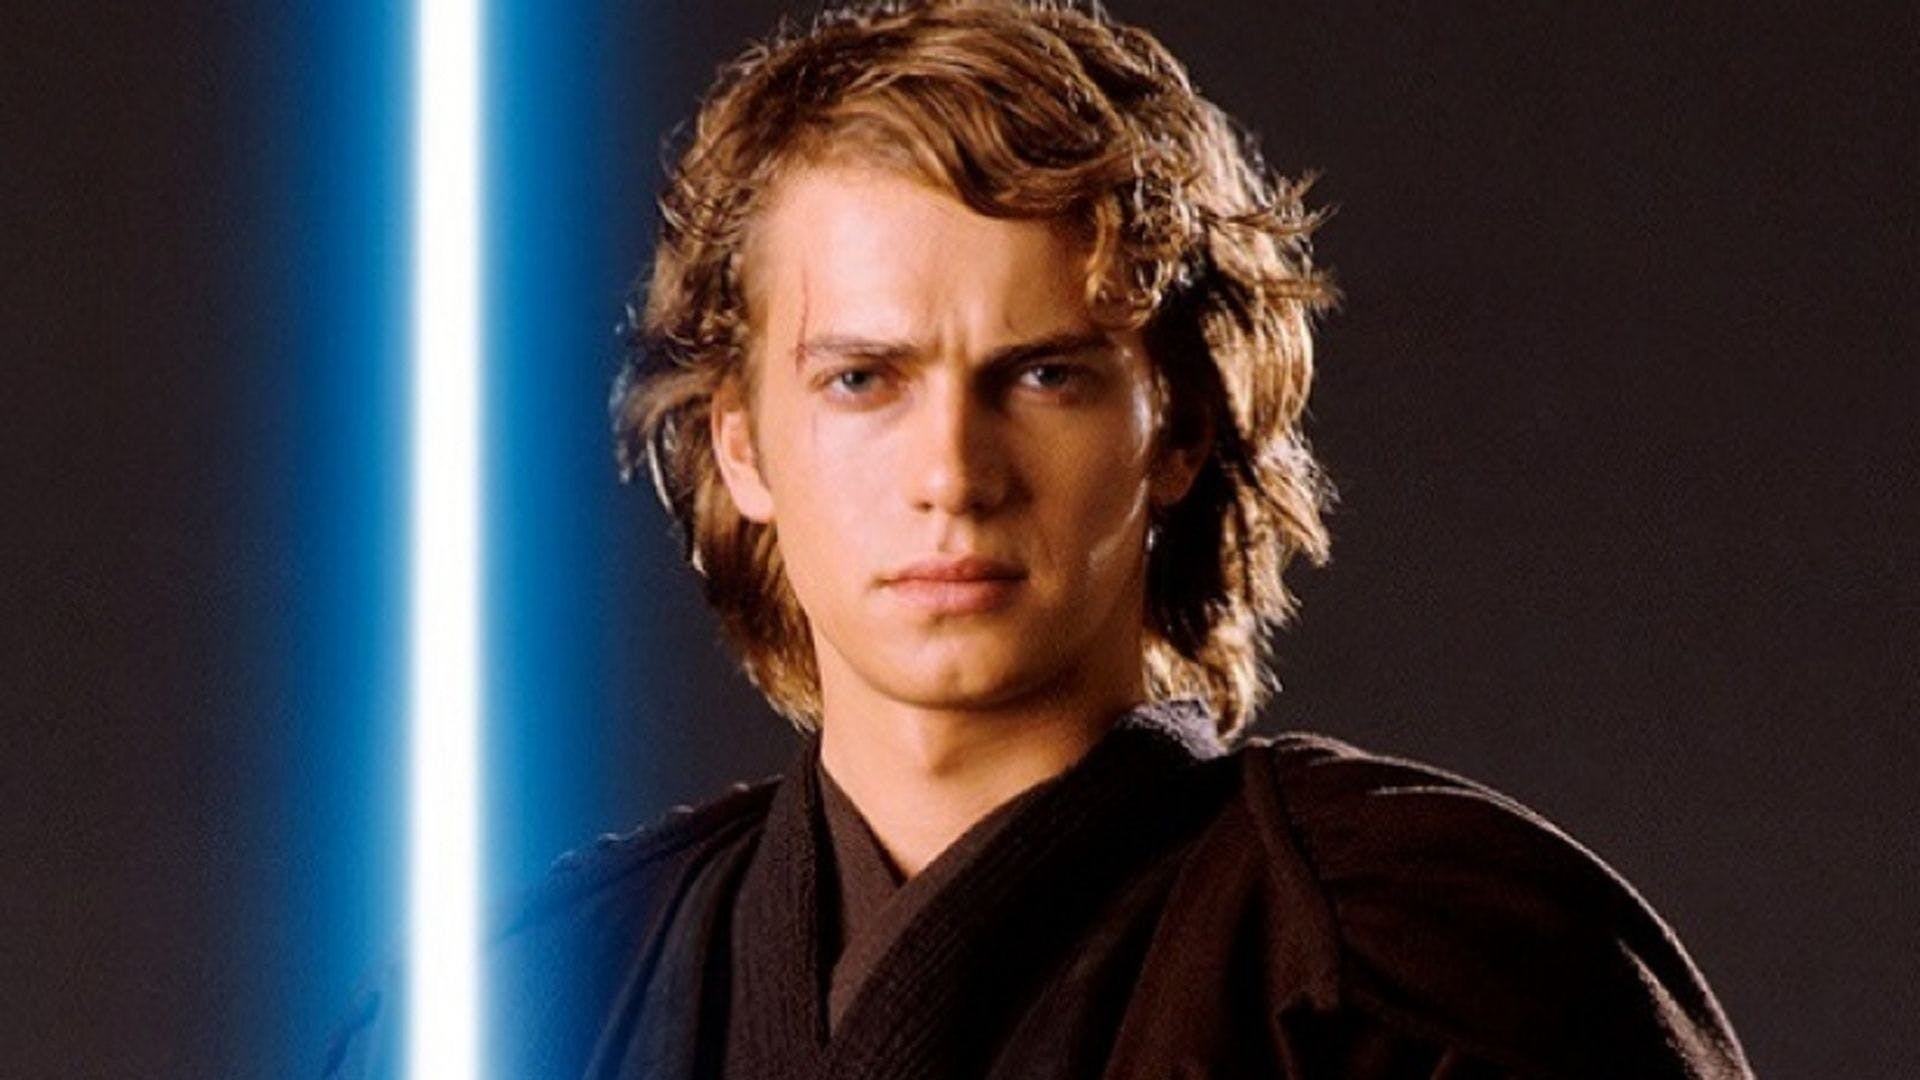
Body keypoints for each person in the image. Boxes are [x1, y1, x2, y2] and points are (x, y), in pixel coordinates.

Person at [326, 1, 1752, 1076]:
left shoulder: (1422, 978)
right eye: (862, 379)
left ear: (1178, 429)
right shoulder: (525, 1005)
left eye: (1045, 375)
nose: (953, 473)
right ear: (740, 445)